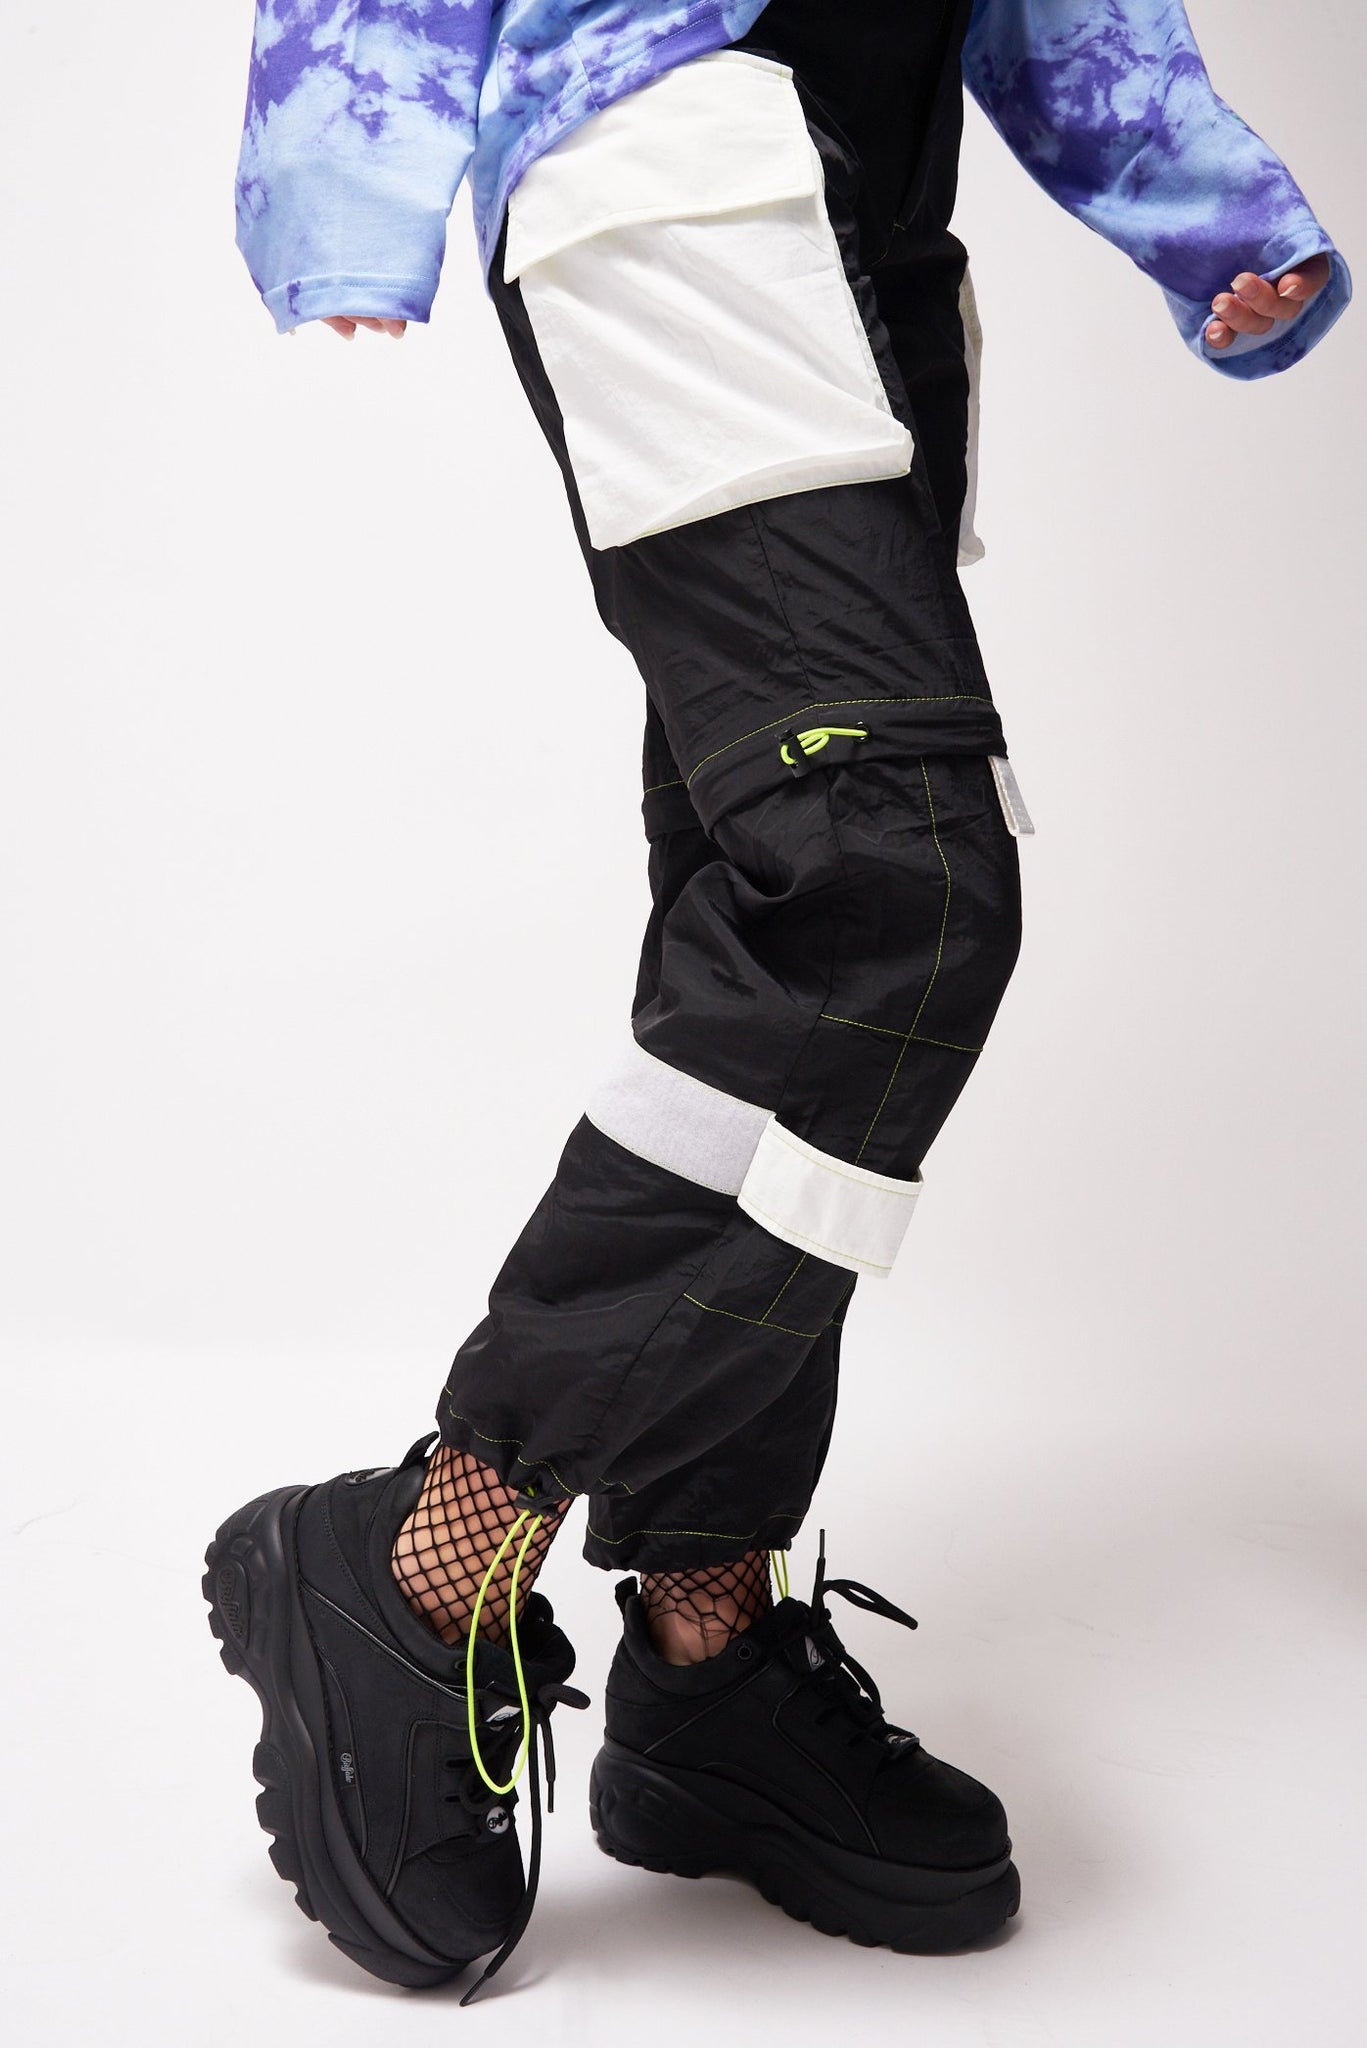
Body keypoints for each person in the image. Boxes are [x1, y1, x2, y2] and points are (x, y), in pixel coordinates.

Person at [206, 0, 1350, 2005]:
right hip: (666, 146)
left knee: (760, 907)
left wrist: (1200, 201)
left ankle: (706, 1641)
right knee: (884, 889)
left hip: (873, 209)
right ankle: (429, 1556)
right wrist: (341, 154)